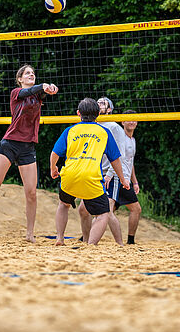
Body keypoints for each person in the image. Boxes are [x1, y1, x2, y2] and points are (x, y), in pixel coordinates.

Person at [0, 65, 58, 243]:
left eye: (33, 73)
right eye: (27, 73)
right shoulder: (16, 93)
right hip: (10, 144)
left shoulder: (36, 96)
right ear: (20, 79)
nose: (31, 75)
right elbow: (33, 90)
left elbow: (41, 93)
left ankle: (29, 234)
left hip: (28, 147)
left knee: (31, 193)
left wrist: (50, 89)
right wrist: (43, 86)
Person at [51, 98, 129, 245]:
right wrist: (123, 179)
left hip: (69, 176)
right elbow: (115, 160)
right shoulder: (104, 132)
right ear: (98, 114)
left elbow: (54, 153)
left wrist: (53, 168)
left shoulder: (70, 130)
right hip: (91, 178)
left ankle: (60, 238)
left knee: (63, 204)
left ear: (78, 113)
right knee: (103, 214)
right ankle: (91, 245)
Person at [77, 97, 124, 245]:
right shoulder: (91, 126)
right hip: (93, 174)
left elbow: (118, 154)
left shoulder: (114, 127)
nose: (99, 104)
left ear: (109, 110)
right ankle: (86, 241)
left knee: (107, 211)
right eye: (98, 102)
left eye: (103, 103)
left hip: (110, 174)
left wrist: (111, 174)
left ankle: (120, 244)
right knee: (83, 210)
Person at [106, 110, 142, 244]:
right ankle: (130, 241)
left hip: (125, 178)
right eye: (128, 120)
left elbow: (130, 162)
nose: (132, 122)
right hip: (119, 178)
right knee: (136, 209)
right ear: (122, 122)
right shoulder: (120, 137)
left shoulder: (133, 140)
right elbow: (116, 158)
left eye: (134, 120)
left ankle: (86, 236)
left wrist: (135, 182)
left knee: (107, 210)